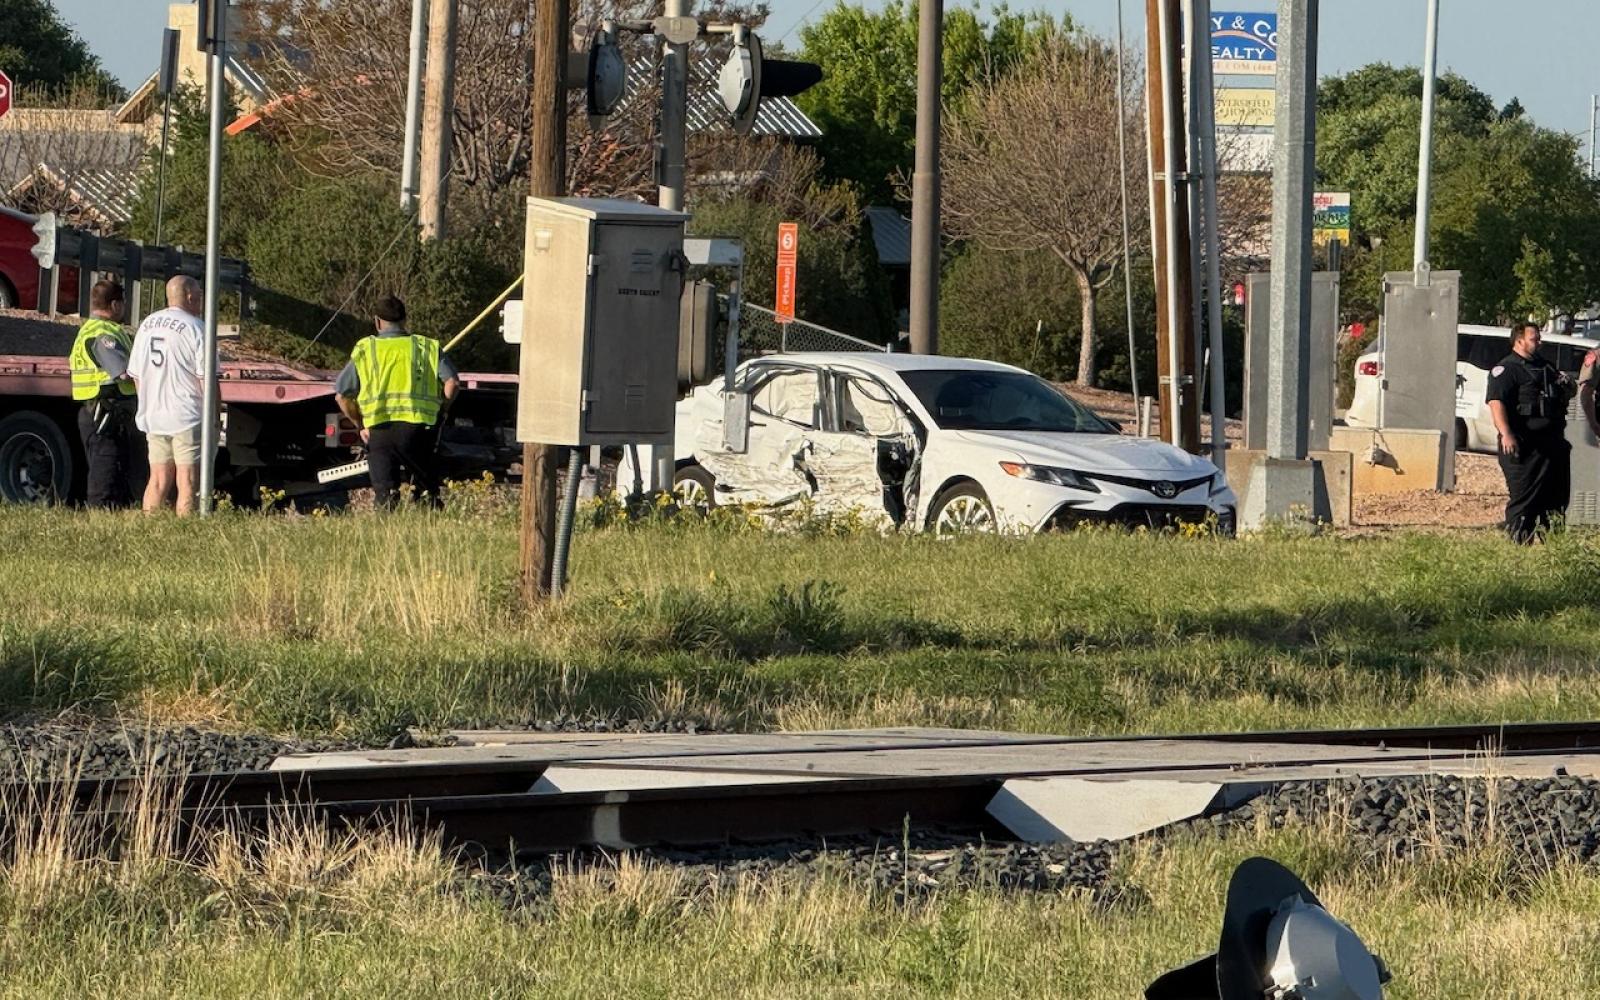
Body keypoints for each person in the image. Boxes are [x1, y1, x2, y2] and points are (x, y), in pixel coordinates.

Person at [335, 296, 459, 508]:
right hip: (418, 430)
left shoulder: (367, 349)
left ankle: (386, 536)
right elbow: (452, 383)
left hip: (380, 431)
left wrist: (360, 425)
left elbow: (341, 395)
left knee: (385, 495)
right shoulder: (425, 347)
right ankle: (429, 531)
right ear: (404, 319)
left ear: (377, 321)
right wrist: (442, 411)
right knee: (426, 492)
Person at [127, 275, 212, 516]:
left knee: (157, 479)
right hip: (187, 414)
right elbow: (206, 380)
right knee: (188, 481)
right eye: (199, 297)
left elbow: (136, 374)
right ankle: (186, 531)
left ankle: (148, 525)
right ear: (190, 296)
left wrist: (147, 402)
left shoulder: (147, 324)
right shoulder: (197, 328)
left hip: (154, 415)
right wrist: (213, 416)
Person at [1486, 321, 1574, 543]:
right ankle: (1518, 549)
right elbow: (1497, 404)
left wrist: (1568, 386)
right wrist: (1506, 433)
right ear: (1519, 341)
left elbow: (1564, 392)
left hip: (1551, 444)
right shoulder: (1506, 370)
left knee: (1555, 499)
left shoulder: (1546, 367)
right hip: (1523, 446)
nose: (1539, 342)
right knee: (1524, 500)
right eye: (1534, 339)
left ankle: (1553, 550)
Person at [68, 280, 141, 507]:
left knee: (105, 463)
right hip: (105, 411)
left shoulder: (88, 329)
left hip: (94, 409)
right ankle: (100, 513)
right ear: (115, 304)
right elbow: (122, 373)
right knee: (106, 465)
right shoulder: (103, 334)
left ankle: (107, 510)